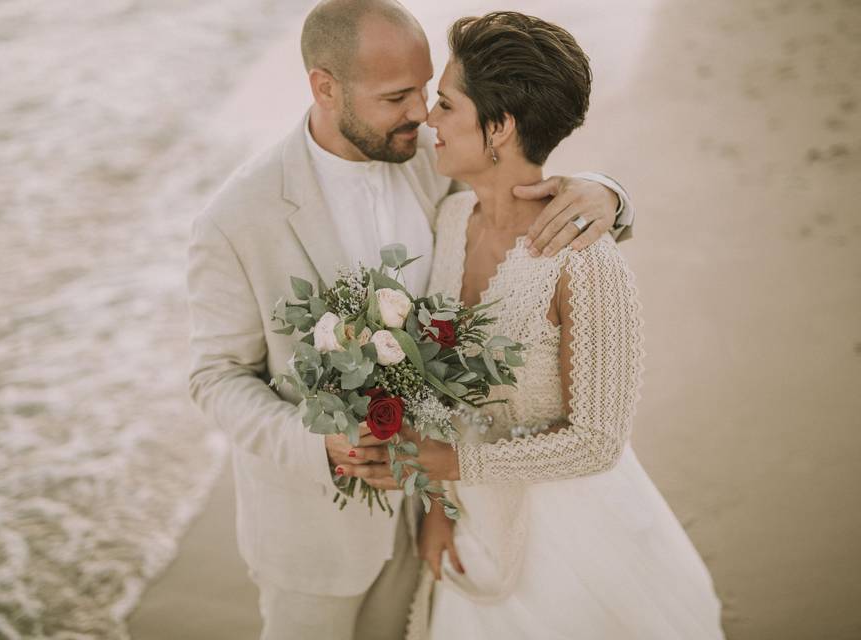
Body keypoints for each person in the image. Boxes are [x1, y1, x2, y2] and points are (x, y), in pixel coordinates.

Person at [186, 2, 633, 638]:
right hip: (316, 536)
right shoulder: (236, 219)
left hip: (443, 511)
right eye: (397, 96)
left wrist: (606, 190)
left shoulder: (430, 156)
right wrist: (321, 446)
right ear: (325, 86)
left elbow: (516, 191)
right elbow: (216, 378)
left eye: (426, 90)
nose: (421, 112)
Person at [342, 11, 724, 639]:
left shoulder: (585, 260)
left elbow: (597, 442)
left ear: (500, 127)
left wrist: (446, 464)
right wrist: (440, 507)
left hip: (575, 543)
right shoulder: (451, 218)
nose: (428, 120)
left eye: (445, 104)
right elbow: (439, 391)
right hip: (475, 526)